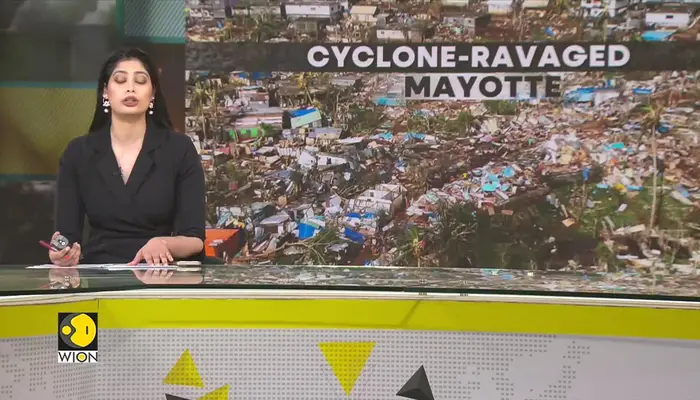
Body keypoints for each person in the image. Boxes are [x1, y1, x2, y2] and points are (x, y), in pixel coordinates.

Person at [48, 47, 205, 267]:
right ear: (105, 92)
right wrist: (61, 253)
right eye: (120, 80)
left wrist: (163, 243)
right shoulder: (78, 153)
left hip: (160, 271)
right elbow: (66, 237)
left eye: (140, 81)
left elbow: (195, 239)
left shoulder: (179, 149)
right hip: (100, 271)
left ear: (152, 94)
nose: (130, 88)